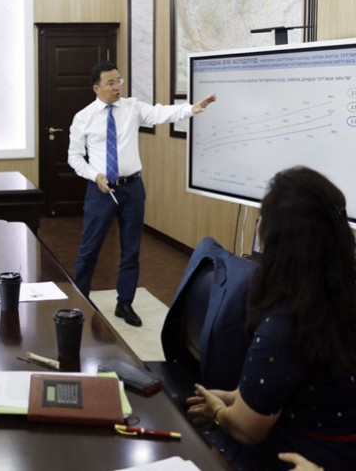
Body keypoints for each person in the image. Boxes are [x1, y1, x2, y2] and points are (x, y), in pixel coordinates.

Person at [187, 166, 356, 470]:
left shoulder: (287, 322)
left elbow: (248, 430)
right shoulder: (343, 296)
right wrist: (234, 398)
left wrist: (218, 412)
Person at [68, 61, 216, 326]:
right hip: (100, 191)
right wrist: (95, 175)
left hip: (132, 189)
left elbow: (160, 113)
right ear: (97, 88)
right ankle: (79, 301)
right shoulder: (83, 117)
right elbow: (75, 157)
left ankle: (124, 303)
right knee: (89, 249)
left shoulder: (132, 107)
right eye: (111, 83)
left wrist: (191, 109)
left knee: (131, 249)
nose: (117, 87)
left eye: (119, 81)